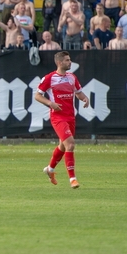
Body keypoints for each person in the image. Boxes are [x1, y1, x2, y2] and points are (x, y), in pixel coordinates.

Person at [35, 51, 90, 189]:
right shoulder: (50, 78)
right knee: (70, 144)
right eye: (67, 60)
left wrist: (84, 98)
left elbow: (78, 92)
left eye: (69, 60)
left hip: (70, 116)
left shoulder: (72, 77)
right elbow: (37, 96)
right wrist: (50, 104)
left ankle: (50, 169)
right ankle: (73, 179)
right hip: (58, 117)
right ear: (59, 63)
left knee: (62, 146)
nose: (70, 62)